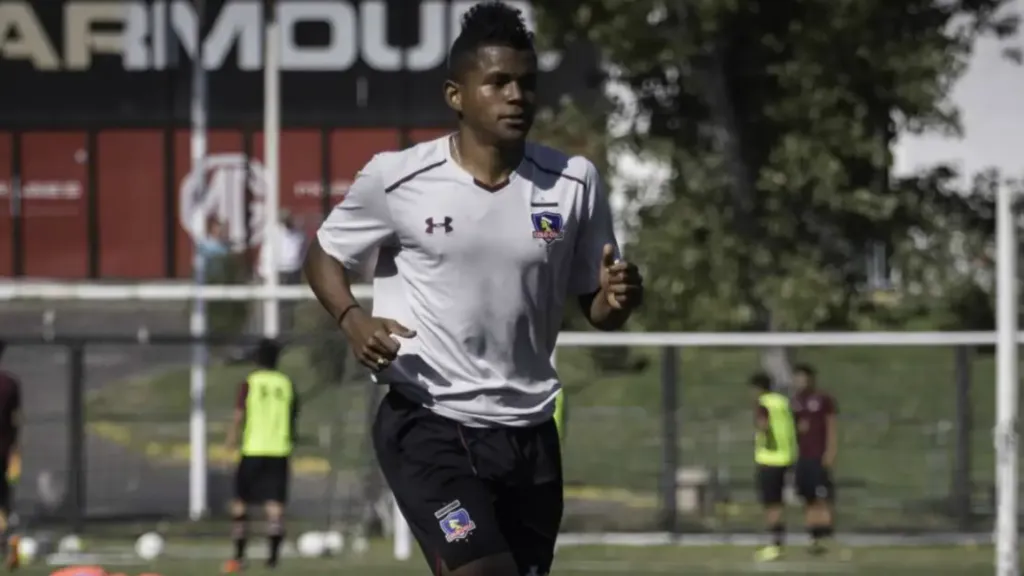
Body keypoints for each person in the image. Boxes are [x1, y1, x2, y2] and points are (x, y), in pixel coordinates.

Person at [304, 2, 643, 574]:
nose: (516, 95)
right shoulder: (398, 178)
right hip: (429, 421)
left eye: (527, 83)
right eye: (498, 82)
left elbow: (598, 307)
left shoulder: (573, 182)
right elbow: (323, 254)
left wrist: (618, 297)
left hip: (530, 432)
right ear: (456, 95)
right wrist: (352, 319)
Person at [222, 339, 298, 573]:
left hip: (253, 449)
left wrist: (230, 444)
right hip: (279, 450)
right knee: (275, 507)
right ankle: (273, 560)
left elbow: (238, 415)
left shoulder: (250, 383)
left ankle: (238, 557)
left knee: (240, 504)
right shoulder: (286, 384)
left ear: (256, 359)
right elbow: (293, 416)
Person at [791, 363, 838, 554]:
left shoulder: (823, 399)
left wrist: (831, 450)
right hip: (801, 456)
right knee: (807, 495)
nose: (801, 381)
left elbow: (831, 425)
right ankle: (813, 535)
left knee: (822, 495)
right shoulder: (794, 401)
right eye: (798, 378)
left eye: (804, 377)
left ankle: (826, 534)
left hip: (818, 454)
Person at [751, 372, 797, 563]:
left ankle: (774, 545)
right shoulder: (782, 401)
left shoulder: (764, 404)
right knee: (777, 502)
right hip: (786, 457)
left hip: (770, 459)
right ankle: (778, 543)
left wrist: (761, 434)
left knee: (771, 504)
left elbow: (764, 425)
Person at [0, 341, 20, 571]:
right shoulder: (9, 384)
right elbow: (16, 421)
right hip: (4, 451)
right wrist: (16, 451)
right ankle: (8, 541)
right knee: (3, 501)